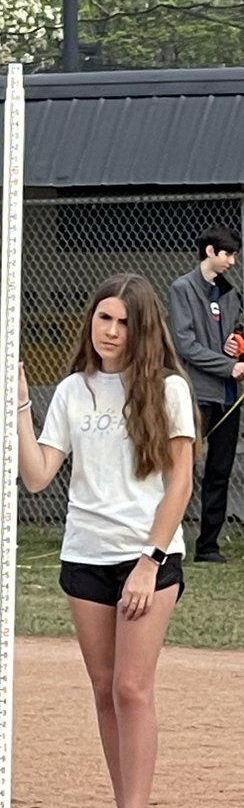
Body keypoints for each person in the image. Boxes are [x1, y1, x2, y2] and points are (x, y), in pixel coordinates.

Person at [0, 273, 197, 808]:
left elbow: (180, 484)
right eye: (104, 318)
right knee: (105, 690)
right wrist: (19, 407)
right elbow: (37, 476)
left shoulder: (168, 389)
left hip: (146, 558)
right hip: (85, 555)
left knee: (132, 688)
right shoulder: (72, 391)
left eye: (124, 322)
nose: (111, 331)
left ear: (142, 328)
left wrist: (149, 562)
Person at [168, 226, 243, 563]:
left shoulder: (230, 293)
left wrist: (235, 344)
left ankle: (208, 546)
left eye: (234, 255)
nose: (232, 261)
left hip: (228, 397)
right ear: (210, 251)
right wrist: (228, 367)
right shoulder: (182, 288)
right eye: (228, 254)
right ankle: (169, 540)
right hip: (197, 395)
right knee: (183, 469)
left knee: (219, 471)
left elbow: (233, 332)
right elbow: (186, 345)